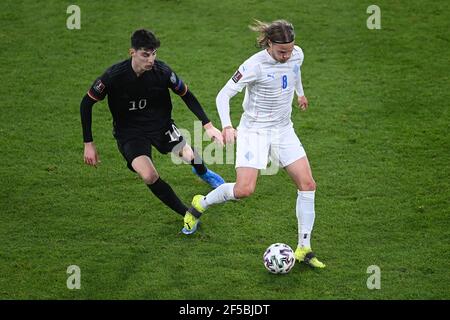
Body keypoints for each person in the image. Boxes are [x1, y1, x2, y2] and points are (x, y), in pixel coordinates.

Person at [188, 20, 325, 268]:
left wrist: (300, 93)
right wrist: (228, 126)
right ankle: (202, 202)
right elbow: (223, 95)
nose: (287, 56)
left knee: (308, 184)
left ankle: (304, 247)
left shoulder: (296, 55)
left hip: (284, 130)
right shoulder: (254, 65)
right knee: (244, 190)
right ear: (269, 44)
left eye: (290, 50)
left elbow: (295, 72)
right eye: (282, 51)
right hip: (255, 132)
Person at [80, 29, 225, 235]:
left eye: (154, 53)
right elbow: (86, 104)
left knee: (190, 156)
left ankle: (204, 172)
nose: (151, 59)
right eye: (145, 54)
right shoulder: (113, 76)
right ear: (132, 52)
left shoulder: (162, 72)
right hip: (130, 133)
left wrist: (208, 126)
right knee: (148, 175)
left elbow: (187, 95)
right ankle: (187, 213)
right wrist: (88, 143)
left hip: (161, 126)